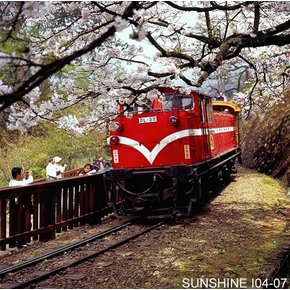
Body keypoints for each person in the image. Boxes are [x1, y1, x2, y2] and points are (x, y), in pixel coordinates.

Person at [9, 167, 33, 248]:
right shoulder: (16, 183)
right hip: (19, 207)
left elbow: (24, 182)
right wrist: (30, 175)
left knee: (18, 224)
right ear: (18, 175)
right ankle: (21, 242)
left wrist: (25, 177)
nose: (22, 174)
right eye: (21, 173)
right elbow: (29, 182)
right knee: (23, 224)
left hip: (15, 207)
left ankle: (19, 241)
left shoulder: (12, 182)